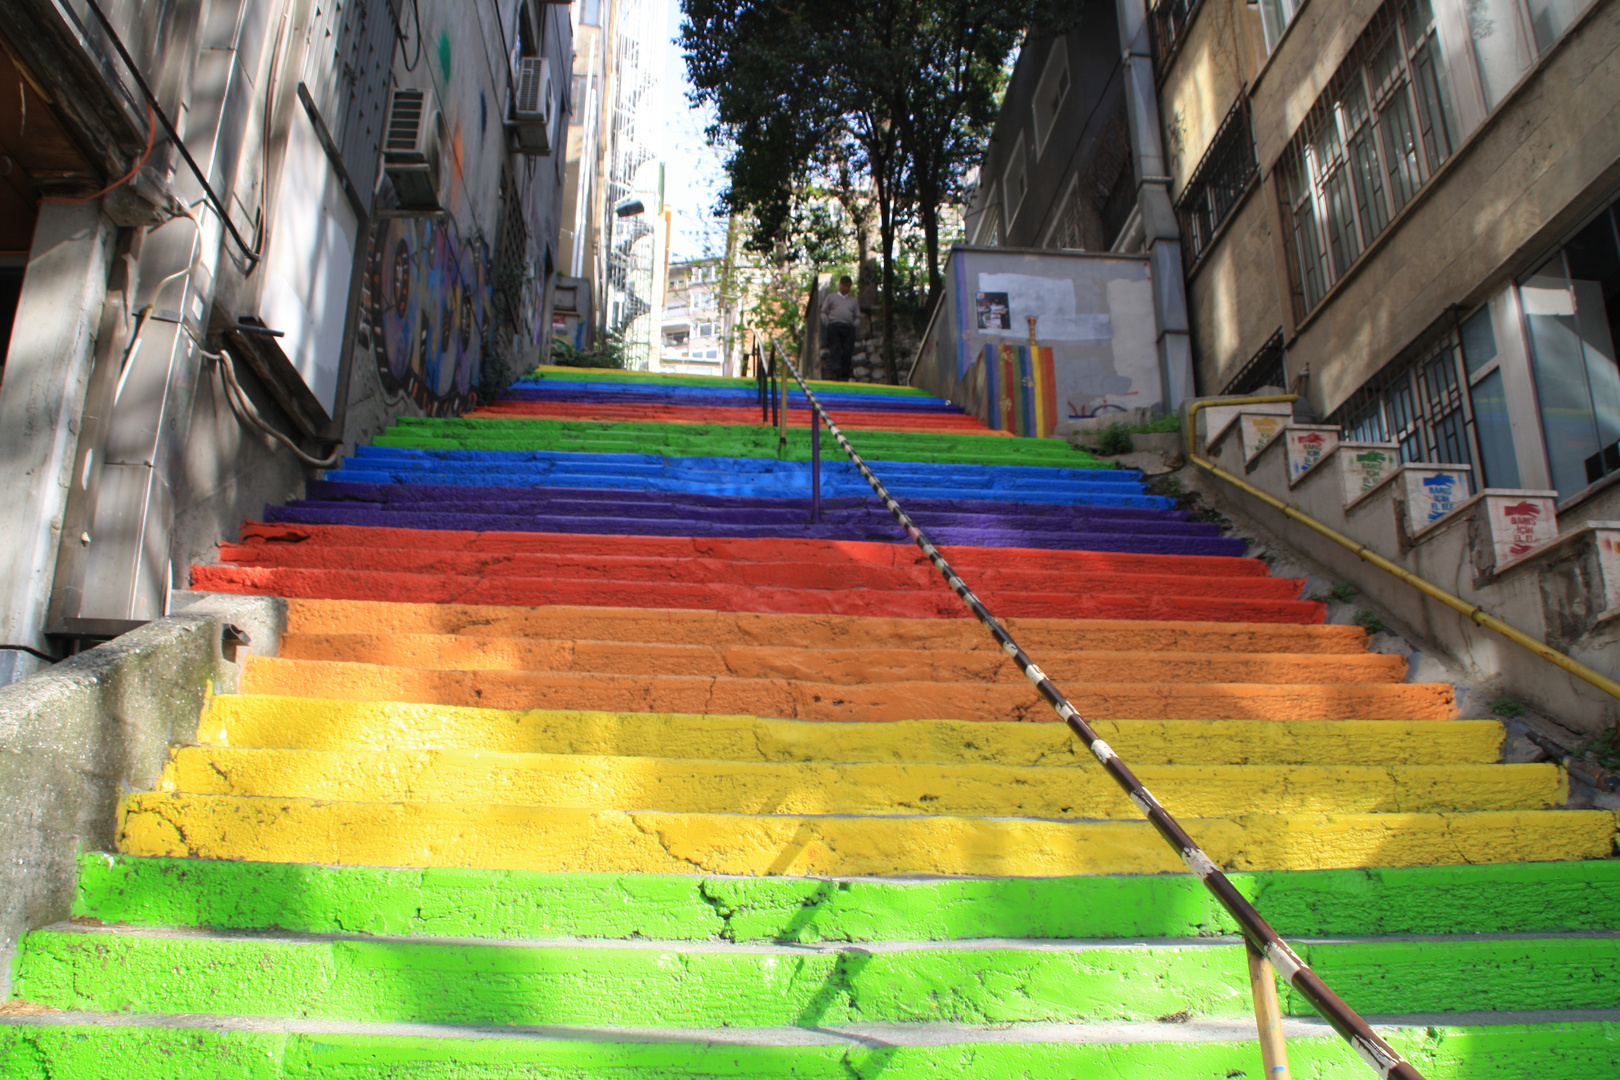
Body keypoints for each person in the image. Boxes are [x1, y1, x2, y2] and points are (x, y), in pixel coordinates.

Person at [820, 275, 859, 381]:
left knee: (848, 349)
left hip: (848, 327)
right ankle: (836, 368)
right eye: (844, 286)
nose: (846, 288)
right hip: (834, 325)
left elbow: (857, 316)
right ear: (840, 285)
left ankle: (845, 373)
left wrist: (854, 326)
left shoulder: (853, 301)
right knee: (835, 347)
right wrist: (828, 323)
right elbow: (823, 312)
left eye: (848, 286)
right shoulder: (831, 297)